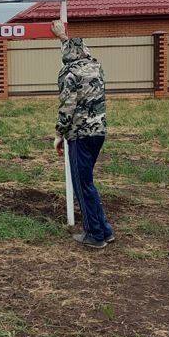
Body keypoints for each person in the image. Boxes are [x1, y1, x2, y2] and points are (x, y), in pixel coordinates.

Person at [51, 19, 114, 249]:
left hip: (79, 135)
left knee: (82, 185)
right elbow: (74, 49)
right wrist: (63, 37)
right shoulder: (96, 68)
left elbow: (67, 107)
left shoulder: (70, 74)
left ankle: (95, 234)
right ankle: (105, 229)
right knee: (88, 183)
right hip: (99, 132)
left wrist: (59, 134)